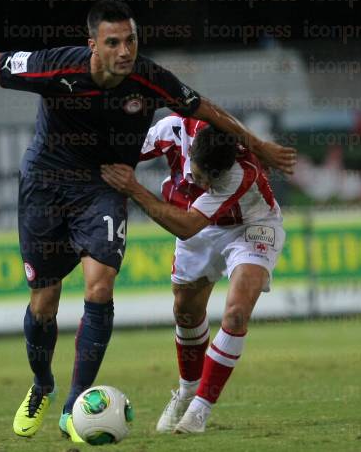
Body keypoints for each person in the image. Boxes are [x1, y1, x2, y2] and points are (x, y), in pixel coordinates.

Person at [0, 0, 295, 442]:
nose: (125, 50)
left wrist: (258, 146)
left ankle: (75, 405)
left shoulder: (149, 79)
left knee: (100, 285)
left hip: (102, 187)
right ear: (93, 45)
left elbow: (204, 108)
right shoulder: (54, 68)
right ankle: (42, 386)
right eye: (114, 42)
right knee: (43, 303)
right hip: (46, 185)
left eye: (131, 40)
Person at [101, 117, 286, 434]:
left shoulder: (240, 171)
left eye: (214, 181)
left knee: (237, 314)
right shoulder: (172, 131)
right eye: (201, 177)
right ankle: (187, 391)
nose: (205, 185)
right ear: (192, 156)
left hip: (251, 226)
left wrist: (133, 188)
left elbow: (185, 226)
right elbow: (119, 152)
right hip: (200, 230)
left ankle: (200, 409)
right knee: (186, 311)